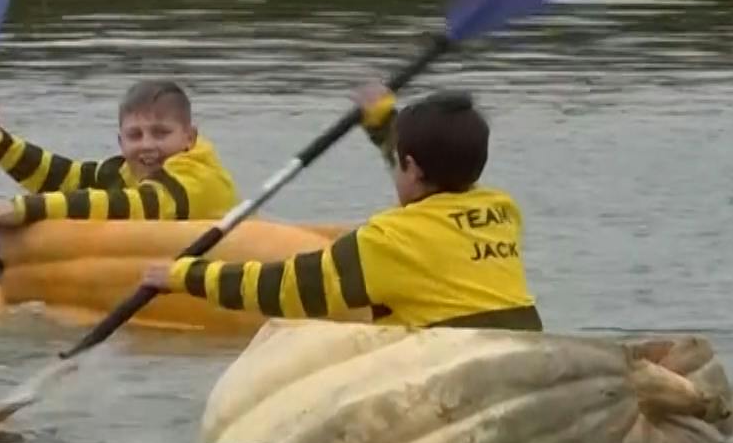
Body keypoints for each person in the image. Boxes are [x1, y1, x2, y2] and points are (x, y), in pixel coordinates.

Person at [140, 84, 542, 330]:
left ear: (412, 167)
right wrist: (386, 123)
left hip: (451, 368)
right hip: (521, 350)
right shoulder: (503, 213)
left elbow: (287, 289)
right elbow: (430, 173)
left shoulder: (386, 241)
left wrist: (186, 276)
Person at [0, 79, 239, 229]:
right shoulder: (124, 172)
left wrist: (24, 208)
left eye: (160, 133)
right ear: (120, 142)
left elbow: (136, 205)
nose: (146, 145)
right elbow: (65, 178)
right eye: (135, 135)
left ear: (189, 137)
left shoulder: (198, 178)